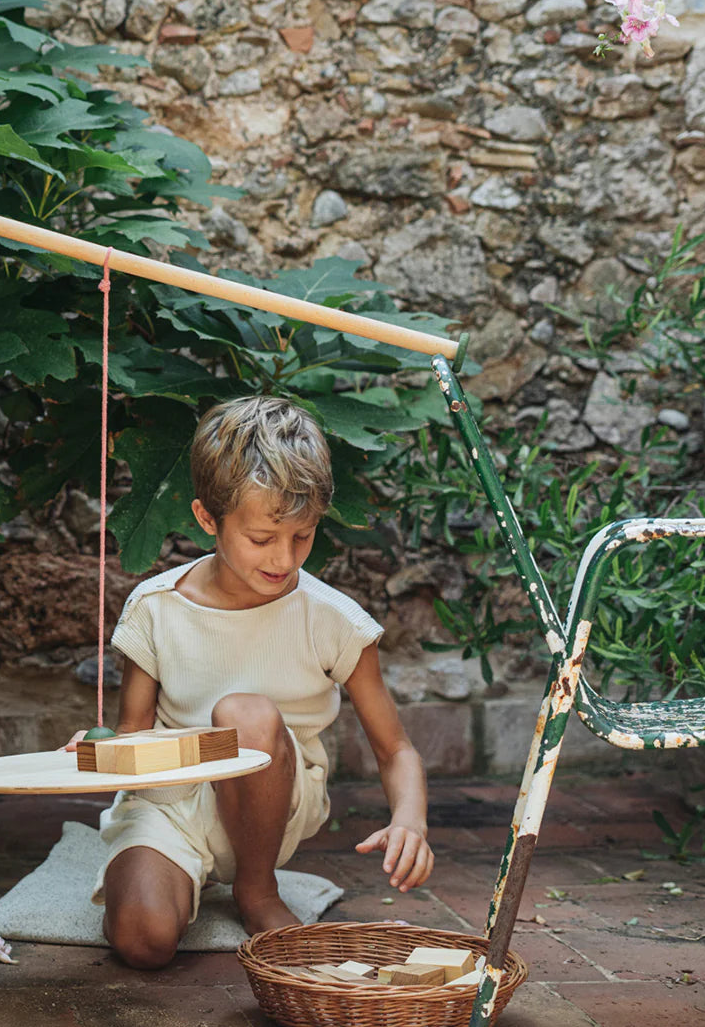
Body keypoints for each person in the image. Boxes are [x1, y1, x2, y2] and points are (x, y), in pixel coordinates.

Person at [66, 395, 434, 969]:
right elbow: (130, 735)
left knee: (246, 714)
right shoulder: (156, 608)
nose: (284, 559)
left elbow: (395, 748)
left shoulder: (334, 621)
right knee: (142, 940)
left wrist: (410, 819)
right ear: (207, 518)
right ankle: (180, 878)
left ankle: (256, 890)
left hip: (273, 806)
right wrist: (96, 750)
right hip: (171, 804)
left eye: (303, 536)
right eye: (263, 539)